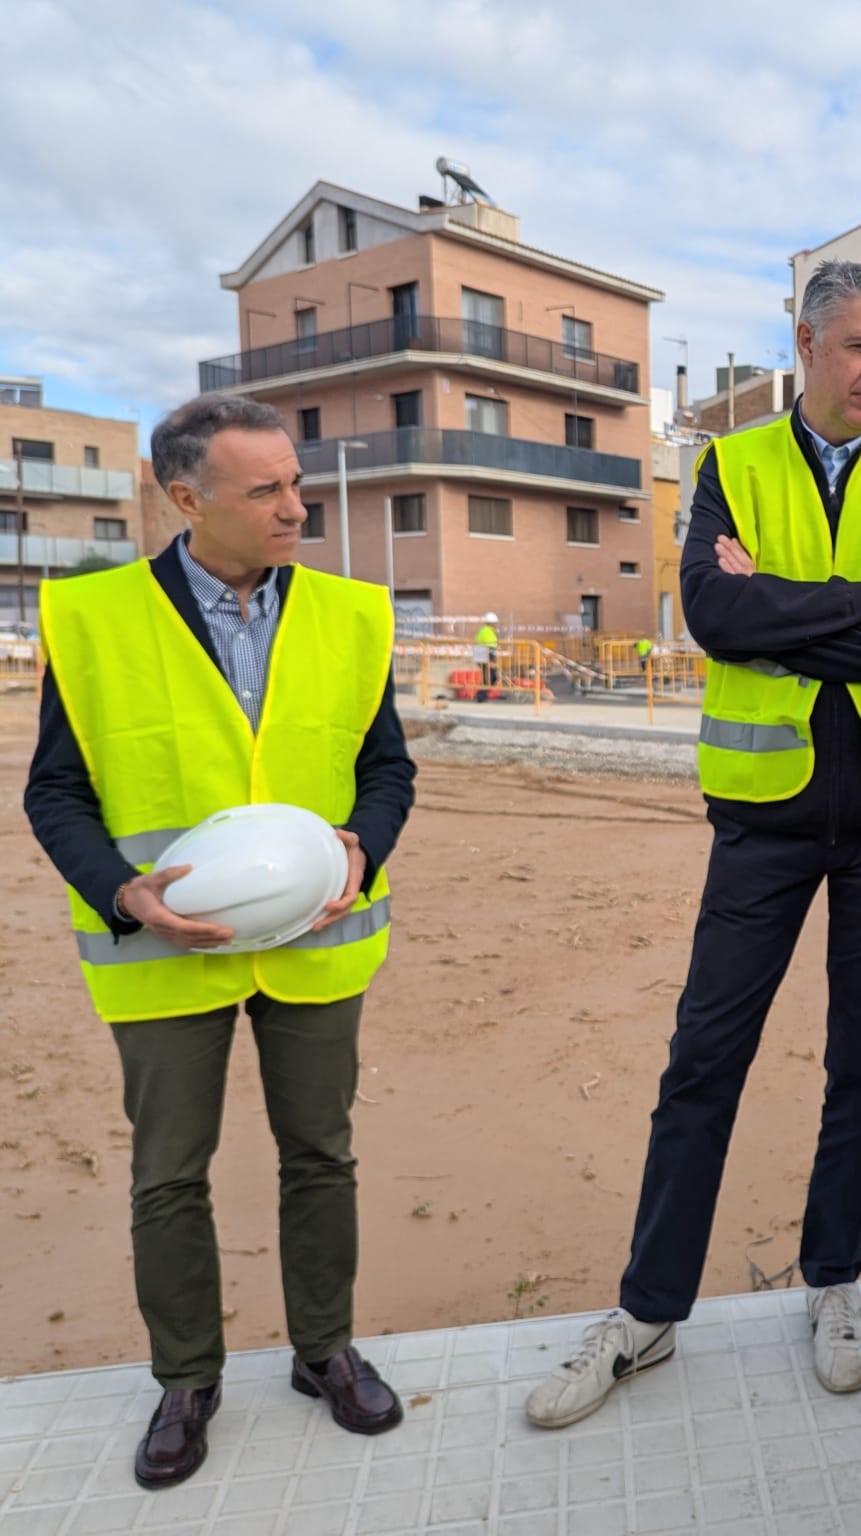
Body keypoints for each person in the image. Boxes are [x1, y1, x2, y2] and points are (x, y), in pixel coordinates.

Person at [524, 260, 861, 1428]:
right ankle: (649, 1309)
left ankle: (835, 1282)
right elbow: (720, 620)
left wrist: (818, 608)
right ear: (807, 342)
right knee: (702, 1060)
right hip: (765, 816)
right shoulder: (729, 462)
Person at [23, 393, 417, 1489]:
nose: (297, 507)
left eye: (296, 483)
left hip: (318, 943)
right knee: (169, 1175)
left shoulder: (350, 615)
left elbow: (387, 770)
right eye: (269, 491)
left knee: (321, 1156)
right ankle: (186, 1380)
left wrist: (359, 851)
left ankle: (325, 1352)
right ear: (185, 497)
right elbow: (54, 793)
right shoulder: (94, 618)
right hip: (160, 952)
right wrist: (123, 894)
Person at [472, 611, 499, 691]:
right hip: (487, 655)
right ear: (492, 623)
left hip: (481, 655)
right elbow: (489, 646)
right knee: (492, 677)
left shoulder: (483, 630)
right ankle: (481, 696)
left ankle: (481, 697)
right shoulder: (488, 631)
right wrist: (490, 660)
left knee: (486, 678)